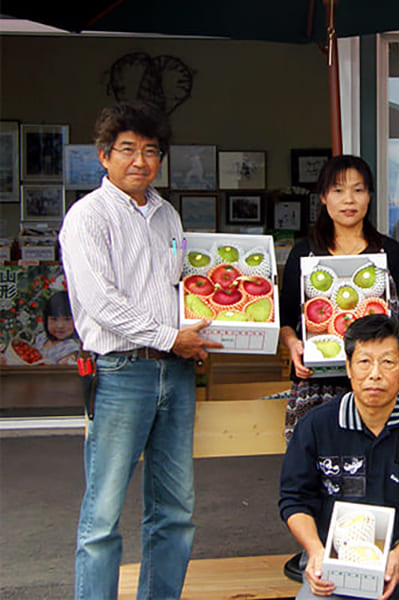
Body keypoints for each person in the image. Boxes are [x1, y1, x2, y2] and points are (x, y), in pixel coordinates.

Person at [59, 100, 222, 600]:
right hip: (119, 373)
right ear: (103, 156)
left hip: (174, 373)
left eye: (151, 151)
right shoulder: (87, 216)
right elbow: (101, 302)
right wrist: (171, 336)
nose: (140, 161)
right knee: (103, 514)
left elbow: (180, 288)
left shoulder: (167, 215)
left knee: (175, 512)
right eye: (127, 149)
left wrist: (193, 334)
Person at [279, 314, 399, 600]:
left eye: (388, 362)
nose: (375, 374)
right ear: (349, 367)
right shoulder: (317, 425)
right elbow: (294, 499)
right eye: (364, 361)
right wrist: (317, 552)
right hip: (334, 565)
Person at [279, 154, 399, 439]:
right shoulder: (304, 254)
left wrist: (391, 340)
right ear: (323, 197)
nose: (349, 200)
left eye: (358, 190)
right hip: (318, 384)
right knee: (320, 471)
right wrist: (293, 344)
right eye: (338, 190)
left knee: (389, 468)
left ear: (369, 197)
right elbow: (286, 319)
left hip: (381, 382)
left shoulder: (391, 253)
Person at [36, 290, 80, 365]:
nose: (60, 326)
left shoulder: (71, 348)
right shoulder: (42, 338)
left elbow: (61, 370)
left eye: (67, 319)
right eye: (54, 319)